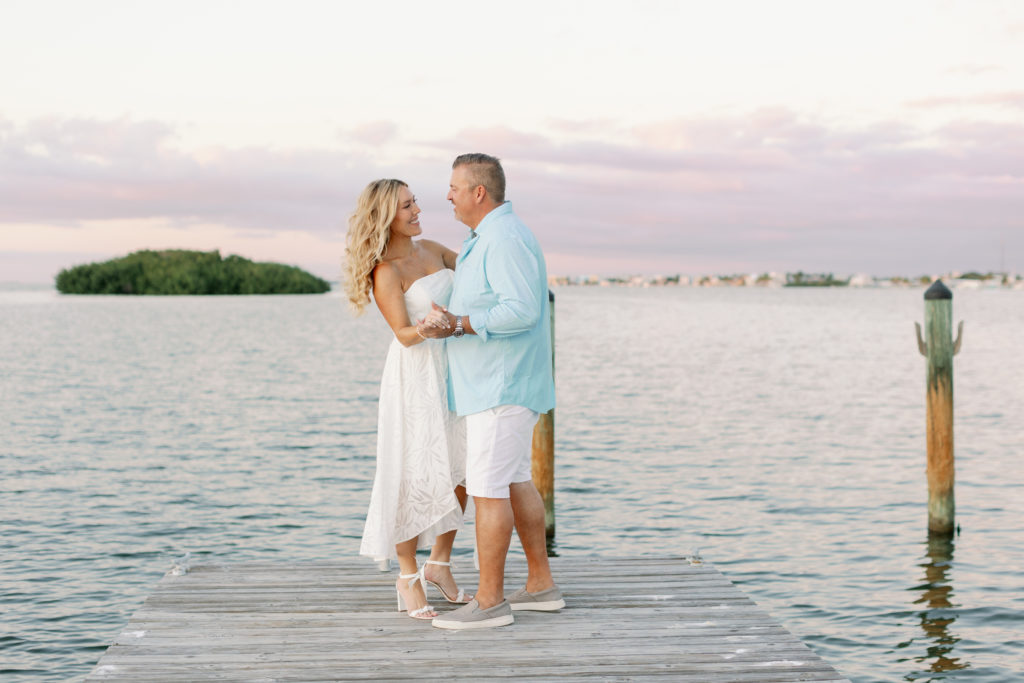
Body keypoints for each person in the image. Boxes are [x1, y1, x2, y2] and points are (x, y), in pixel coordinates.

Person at [417, 154, 563, 630]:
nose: (448, 195)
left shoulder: (503, 237)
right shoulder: (489, 237)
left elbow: (521, 309)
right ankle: (540, 586)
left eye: (455, 187)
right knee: (515, 478)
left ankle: (490, 600)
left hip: (502, 385)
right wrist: (453, 316)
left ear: (479, 192)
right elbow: (492, 301)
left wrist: (459, 323)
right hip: (495, 383)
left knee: (486, 488)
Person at [344, 178, 472, 620]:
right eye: (406, 206)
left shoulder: (435, 249)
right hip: (415, 374)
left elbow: (480, 270)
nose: (418, 210)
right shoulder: (386, 271)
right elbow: (402, 334)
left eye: (415, 202)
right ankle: (407, 574)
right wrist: (428, 328)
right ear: (385, 217)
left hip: (455, 369)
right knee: (412, 472)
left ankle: (440, 563)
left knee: (462, 466)